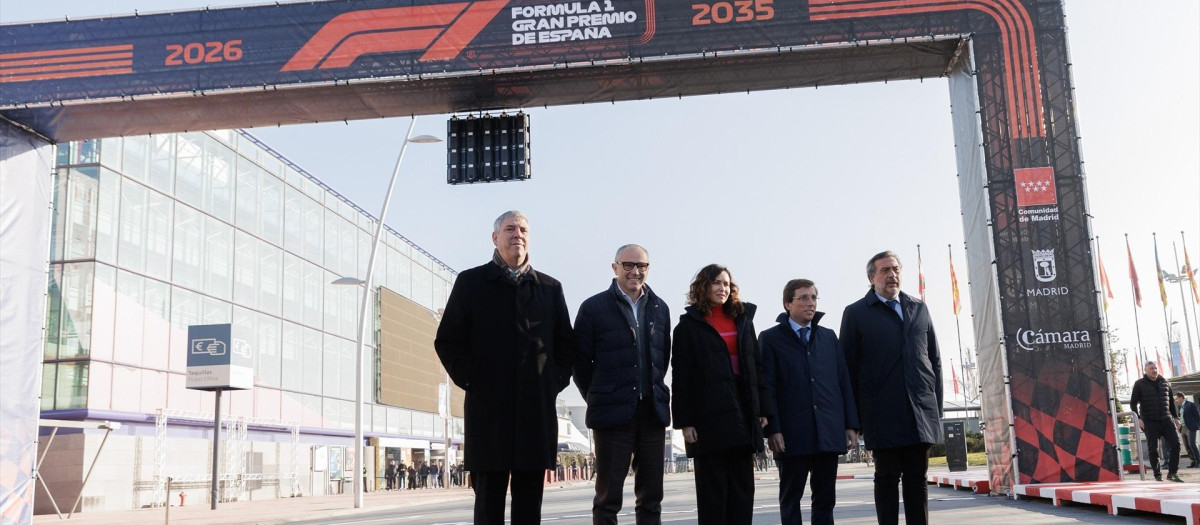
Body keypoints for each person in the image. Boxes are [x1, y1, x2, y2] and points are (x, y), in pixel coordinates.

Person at [435, 210, 575, 524]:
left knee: (529, 508)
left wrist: (549, 383)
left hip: (534, 414)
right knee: (488, 505)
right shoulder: (471, 283)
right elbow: (447, 340)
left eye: (523, 229)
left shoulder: (550, 289)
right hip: (489, 414)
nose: (518, 234)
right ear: (495, 237)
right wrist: (473, 379)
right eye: (510, 228)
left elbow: (566, 346)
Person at [839, 251, 942, 525]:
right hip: (881, 415)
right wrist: (853, 420)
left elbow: (935, 362)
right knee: (886, 480)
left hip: (919, 414)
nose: (891, 274)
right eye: (884, 270)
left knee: (917, 481)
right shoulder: (856, 314)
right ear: (872, 277)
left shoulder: (919, 308)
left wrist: (935, 412)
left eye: (895, 268)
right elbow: (846, 371)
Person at [573, 243, 671, 525]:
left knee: (651, 497)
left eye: (642, 266)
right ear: (614, 268)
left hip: (652, 413)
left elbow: (662, 357)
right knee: (608, 498)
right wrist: (597, 395)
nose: (635, 271)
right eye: (628, 265)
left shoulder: (659, 307)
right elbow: (580, 362)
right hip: (611, 414)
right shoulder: (593, 308)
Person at [671, 264, 769, 525]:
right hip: (707, 418)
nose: (722, 288)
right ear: (703, 286)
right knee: (713, 495)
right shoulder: (687, 328)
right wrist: (684, 421)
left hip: (742, 413)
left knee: (742, 491)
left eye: (726, 284)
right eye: (716, 283)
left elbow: (756, 368)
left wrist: (762, 410)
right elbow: (681, 377)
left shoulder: (743, 320)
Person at [759, 279, 859, 525]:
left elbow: (843, 382)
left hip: (828, 431)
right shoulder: (770, 339)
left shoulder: (828, 337)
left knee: (825, 500)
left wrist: (851, 425)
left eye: (813, 297)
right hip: (792, 435)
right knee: (791, 500)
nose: (810, 303)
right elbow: (766, 387)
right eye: (803, 298)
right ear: (787, 303)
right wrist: (773, 428)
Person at [1130, 361, 1183, 482]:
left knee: (1176, 444)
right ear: (1145, 370)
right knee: (1153, 449)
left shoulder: (1165, 382)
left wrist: (1176, 418)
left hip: (1166, 420)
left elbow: (1170, 403)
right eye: (1151, 369)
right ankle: (1157, 475)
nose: (1154, 370)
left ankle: (1172, 473)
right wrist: (1138, 418)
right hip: (1149, 421)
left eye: (1155, 368)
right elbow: (1133, 403)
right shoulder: (1139, 384)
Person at [1177, 393, 1200, 468]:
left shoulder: (1190, 405)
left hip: (1191, 427)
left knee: (1192, 444)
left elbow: (1197, 416)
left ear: (1181, 397)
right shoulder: (1179, 406)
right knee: (1187, 446)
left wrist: (1197, 425)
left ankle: (1198, 461)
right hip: (1183, 428)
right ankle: (1193, 461)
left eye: (1177, 398)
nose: (1176, 400)